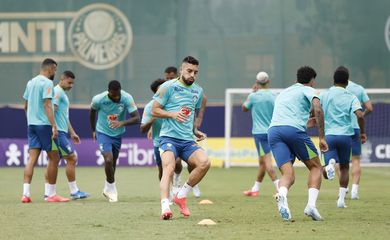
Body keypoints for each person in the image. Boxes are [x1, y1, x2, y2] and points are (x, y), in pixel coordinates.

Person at [152, 56, 210, 220]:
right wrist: (172, 114)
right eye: (189, 71)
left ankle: (181, 195)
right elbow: (154, 110)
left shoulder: (197, 91)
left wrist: (195, 129)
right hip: (168, 138)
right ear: (181, 70)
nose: (192, 75)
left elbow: (191, 113)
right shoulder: (167, 87)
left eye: (195, 72)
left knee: (205, 162)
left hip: (187, 140)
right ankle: (165, 206)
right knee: (168, 169)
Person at [268, 66, 328, 221]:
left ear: (296, 78)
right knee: (316, 167)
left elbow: (289, 117)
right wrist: (322, 137)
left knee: (288, 175)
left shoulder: (283, 93)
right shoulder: (308, 90)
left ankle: (281, 194)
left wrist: (307, 122)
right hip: (293, 131)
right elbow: (318, 109)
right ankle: (311, 206)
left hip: (274, 132)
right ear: (312, 81)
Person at [22, 58, 70, 203]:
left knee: (32, 159)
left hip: (32, 125)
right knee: (54, 157)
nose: (55, 72)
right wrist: (54, 126)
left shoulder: (31, 82)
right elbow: (48, 105)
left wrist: (31, 120)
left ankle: (25, 194)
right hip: (44, 126)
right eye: (55, 70)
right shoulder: (48, 83)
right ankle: (51, 194)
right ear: (50, 69)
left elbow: (25, 105)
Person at [320, 66, 366, 208]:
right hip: (346, 135)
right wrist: (362, 132)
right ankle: (341, 200)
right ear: (347, 82)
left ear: (333, 80)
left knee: (325, 169)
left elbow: (314, 110)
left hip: (329, 135)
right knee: (345, 167)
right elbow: (359, 115)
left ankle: (330, 164)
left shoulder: (324, 94)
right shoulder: (351, 96)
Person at [89, 80, 140, 202]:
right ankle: (112, 189)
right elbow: (92, 112)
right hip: (102, 132)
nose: (116, 97)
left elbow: (137, 118)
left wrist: (122, 123)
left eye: (118, 95)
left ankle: (108, 187)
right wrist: (93, 130)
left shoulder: (126, 98)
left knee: (113, 162)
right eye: (114, 95)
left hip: (117, 134)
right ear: (109, 92)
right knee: (108, 158)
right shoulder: (99, 99)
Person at [43, 71, 89, 200]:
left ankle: (48, 192)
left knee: (53, 160)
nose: (71, 85)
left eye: (73, 83)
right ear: (62, 80)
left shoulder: (60, 92)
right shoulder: (57, 92)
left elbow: (64, 116)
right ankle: (74, 191)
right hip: (58, 133)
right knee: (72, 158)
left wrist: (72, 132)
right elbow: (53, 110)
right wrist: (53, 128)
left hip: (61, 131)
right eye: (69, 82)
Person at [242, 71, 279, 197]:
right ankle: (255, 188)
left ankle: (280, 188)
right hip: (272, 131)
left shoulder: (254, 96)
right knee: (262, 162)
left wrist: (252, 92)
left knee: (267, 162)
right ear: (268, 81)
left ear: (257, 82)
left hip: (260, 134)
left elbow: (244, 108)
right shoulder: (274, 95)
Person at [346, 77, 373, 200]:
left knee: (340, 161)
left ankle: (343, 187)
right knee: (356, 160)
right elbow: (370, 107)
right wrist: (361, 116)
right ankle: (354, 191)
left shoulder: (333, 90)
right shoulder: (359, 88)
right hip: (355, 129)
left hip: (340, 130)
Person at [140, 78, 166, 179]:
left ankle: (176, 186)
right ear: (156, 93)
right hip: (159, 142)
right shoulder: (150, 107)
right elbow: (142, 129)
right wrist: (152, 120)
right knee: (162, 169)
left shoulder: (175, 103)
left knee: (175, 164)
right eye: (162, 88)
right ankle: (165, 193)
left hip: (175, 140)